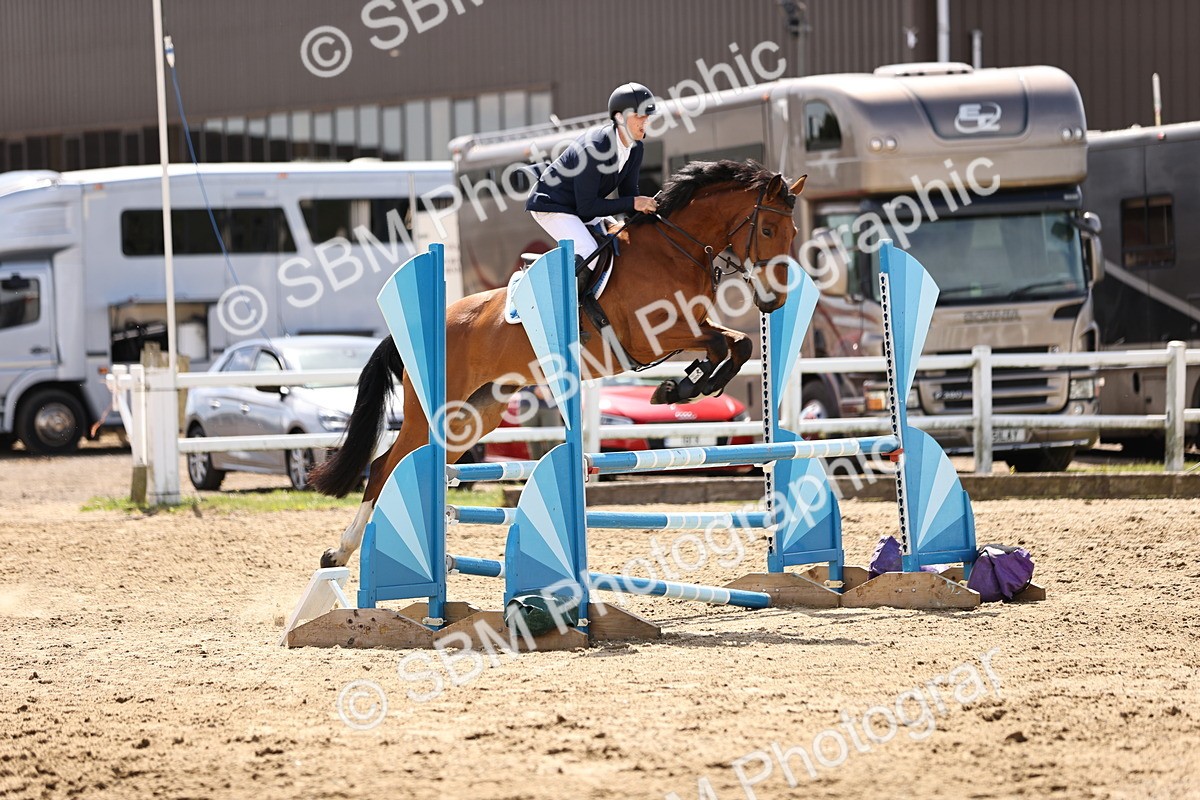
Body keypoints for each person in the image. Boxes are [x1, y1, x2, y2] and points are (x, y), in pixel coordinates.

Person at [526, 82, 660, 300]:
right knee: (588, 249)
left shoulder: (636, 147)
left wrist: (651, 219)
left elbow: (628, 194)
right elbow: (589, 206)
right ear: (619, 118)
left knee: (616, 241)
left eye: (648, 116)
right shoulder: (594, 148)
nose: (645, 122)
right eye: (639, 116)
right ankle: (571, 313)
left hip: (580, 207)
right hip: (551, 204)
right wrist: (634, 202)